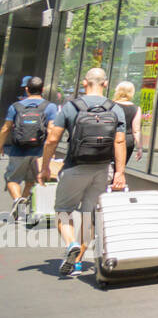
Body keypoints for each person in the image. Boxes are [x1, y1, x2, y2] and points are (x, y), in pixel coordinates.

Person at [40, 68, 127, 277]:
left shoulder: (71, 107)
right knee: (89, 215)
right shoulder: (116, 109)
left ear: (84, 83)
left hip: (75, 167)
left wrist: (45, 166)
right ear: (105, 84)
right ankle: (78, 263)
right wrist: (119, 173)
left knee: (63, 209)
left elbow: (52, 139)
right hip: (102, 168)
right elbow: (120, 141)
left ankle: (71, 245)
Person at [2, 76, 58, 222]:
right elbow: (52, 129)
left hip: (18, 150)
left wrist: (0, 145)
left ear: (27, 89)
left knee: (11, 179)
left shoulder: (16, 106)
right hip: (39, 151)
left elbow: (6, 128)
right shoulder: (50, 107)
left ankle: (17, 199)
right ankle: (21, 208)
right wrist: (50, 150)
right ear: (43, 89)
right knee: (31, 180)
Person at [112, 81, 145, 165]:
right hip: (127, 141)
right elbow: (136, 130)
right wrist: (139, 148)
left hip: (111, 138)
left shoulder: (110, 105)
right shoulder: (136, 109)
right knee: (120, 166)